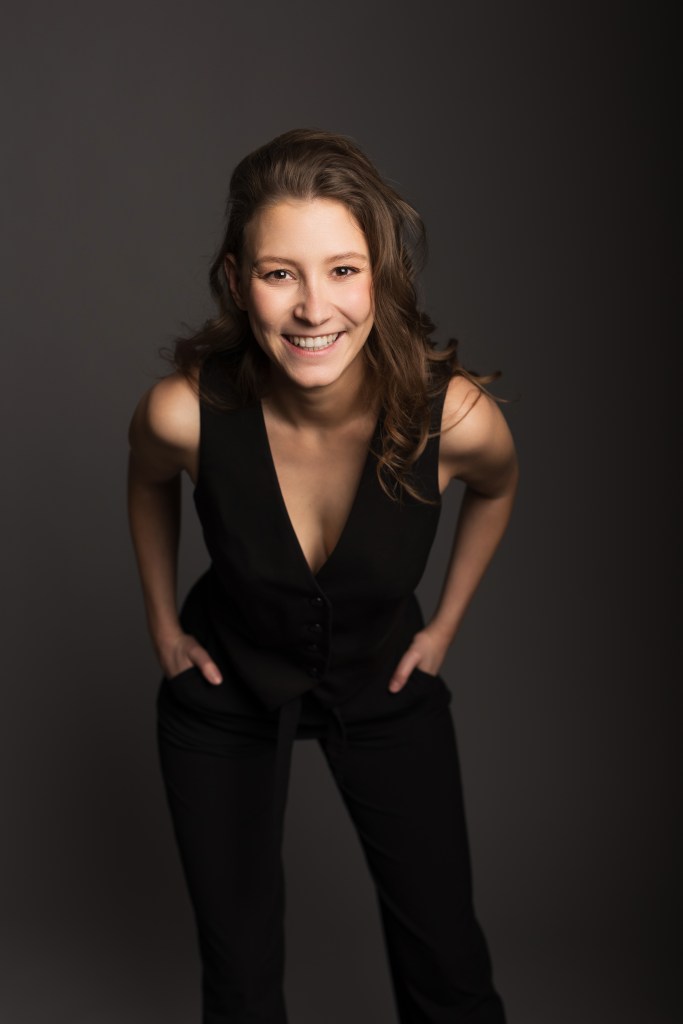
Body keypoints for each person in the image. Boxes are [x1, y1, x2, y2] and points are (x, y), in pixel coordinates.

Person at [128, 128, 517, 1024]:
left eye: (343, 270)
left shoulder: (454, 417)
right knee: (238, 976)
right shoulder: (182, 413)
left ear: (381, 275)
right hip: (224, 691)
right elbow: (145, 480)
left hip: (385, 685)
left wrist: (443, 625)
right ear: (237, 283)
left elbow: (497, 488)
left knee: (449, 966)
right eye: (280, 274)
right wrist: (161, 624)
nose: (313, 309)